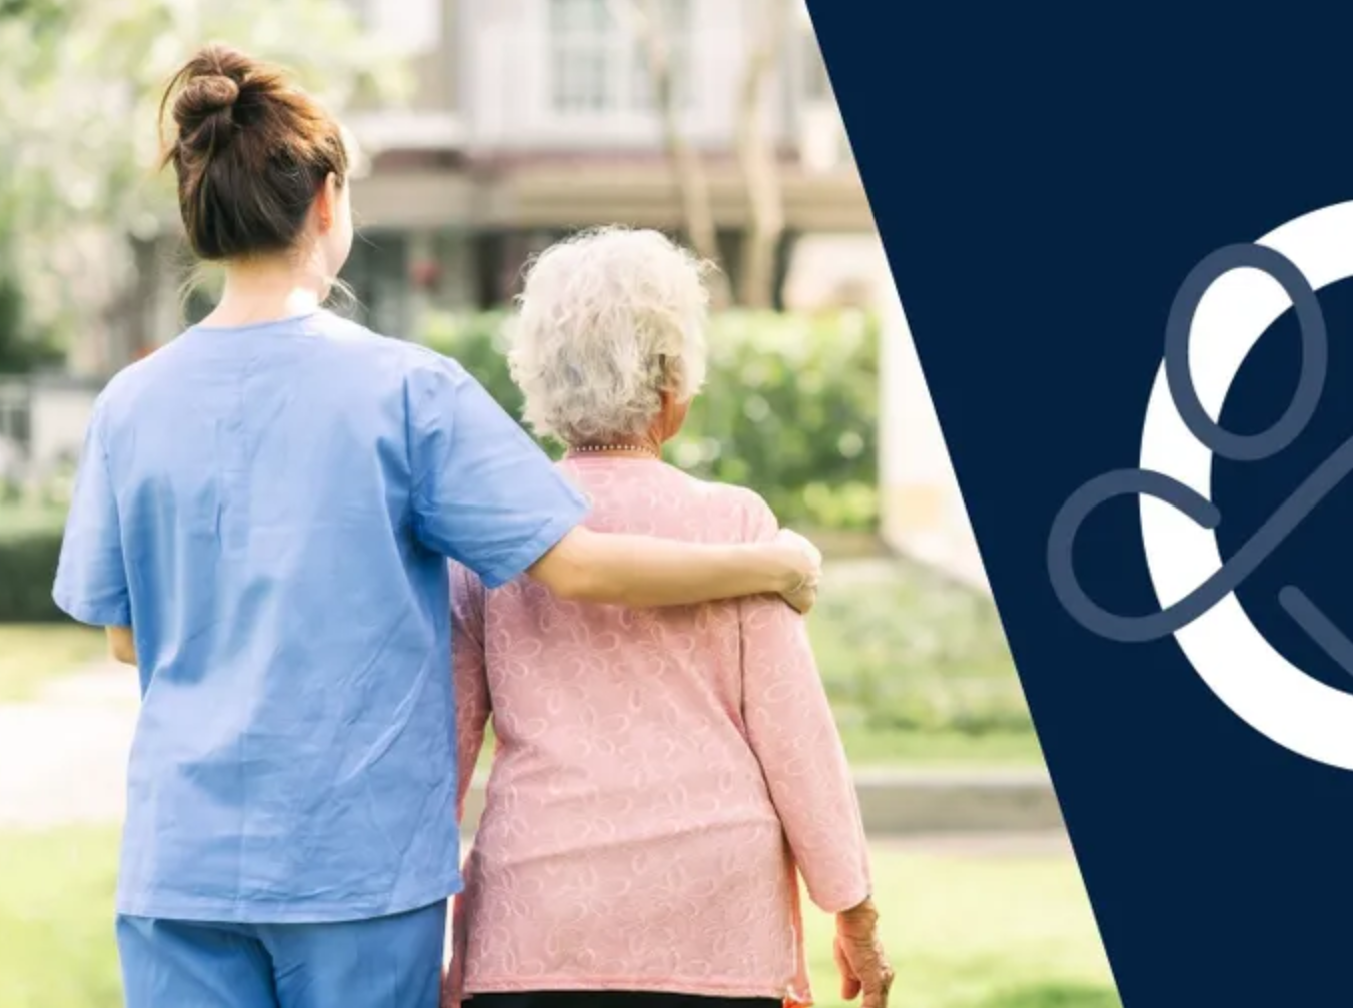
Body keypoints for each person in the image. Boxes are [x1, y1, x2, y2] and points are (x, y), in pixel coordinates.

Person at [49, 46, 823, 1008]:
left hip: (180, 867)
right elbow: (577, 568)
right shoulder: (407, 391)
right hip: (358, 873)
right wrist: (767, 563)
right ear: (327, 200)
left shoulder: (128, 404)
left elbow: (127, 639)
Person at [444, 227, 896, 1008]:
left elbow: (438, 753)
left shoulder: (492, 537)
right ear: (671, 380)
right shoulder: (738, 528)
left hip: (538, 924)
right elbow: (799, 745)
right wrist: (855, 914)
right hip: (716, 926)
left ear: (541, 375)